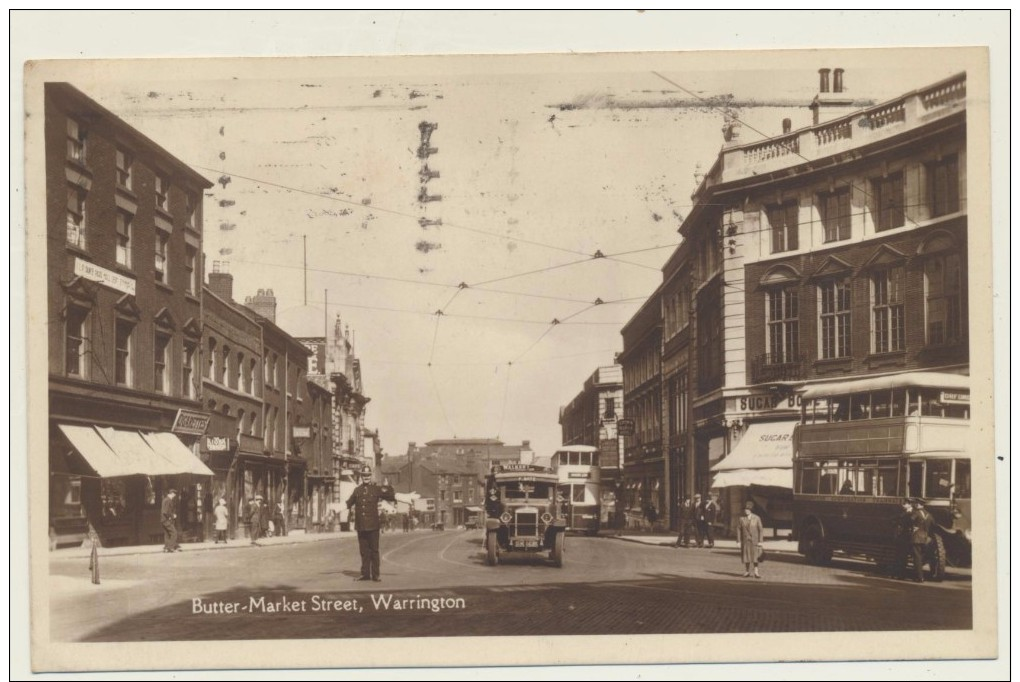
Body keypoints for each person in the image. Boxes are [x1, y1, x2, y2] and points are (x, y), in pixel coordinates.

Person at [346, 465, 396, 582]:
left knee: (374, 551)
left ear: (371, 476)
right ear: (361, 476)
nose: (366, 477)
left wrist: (388, 486)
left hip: (373, 526)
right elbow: (349, 503)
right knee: (364, 551)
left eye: (368, 475)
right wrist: (337, 507)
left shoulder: (376, 489)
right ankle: (365, 574)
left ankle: (376, 575)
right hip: (361, 526)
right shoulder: (357, 490)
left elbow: (390, 495)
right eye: (364, 475)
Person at [907, 498, 934, 583]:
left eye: (915, 503)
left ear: (918, 504)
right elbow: (933, 524)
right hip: (925, 538)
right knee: (921, 557)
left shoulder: (916, 513)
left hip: (916, 538)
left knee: (917, 558)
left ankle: (919, 577)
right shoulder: (929, 515)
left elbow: (909, 521)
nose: (915, 505)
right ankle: (921, 575)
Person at [737, 500, 764, 578]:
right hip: (745, 541)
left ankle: (756, 572)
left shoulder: (756, 518)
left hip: (754, 541)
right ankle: (747, 571)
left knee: (755, 557)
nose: (746, 511)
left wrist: (760, 541)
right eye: (745, 509)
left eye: (748, 509)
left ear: (751, 510)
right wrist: (738, 541)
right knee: (746, 556)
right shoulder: (741, 519)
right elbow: (738, 529)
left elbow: (761, 529)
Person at [161, 489, 180, 553]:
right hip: (167, 520)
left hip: (163, 520)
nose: (174, 496)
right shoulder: (168, 500)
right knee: (174, 533)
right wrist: (172, 516)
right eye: (174, 495)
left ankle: (166, 548)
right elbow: (165, 512)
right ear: (171, 494)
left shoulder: (165, 500)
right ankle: (171, 548)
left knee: (167, 534)